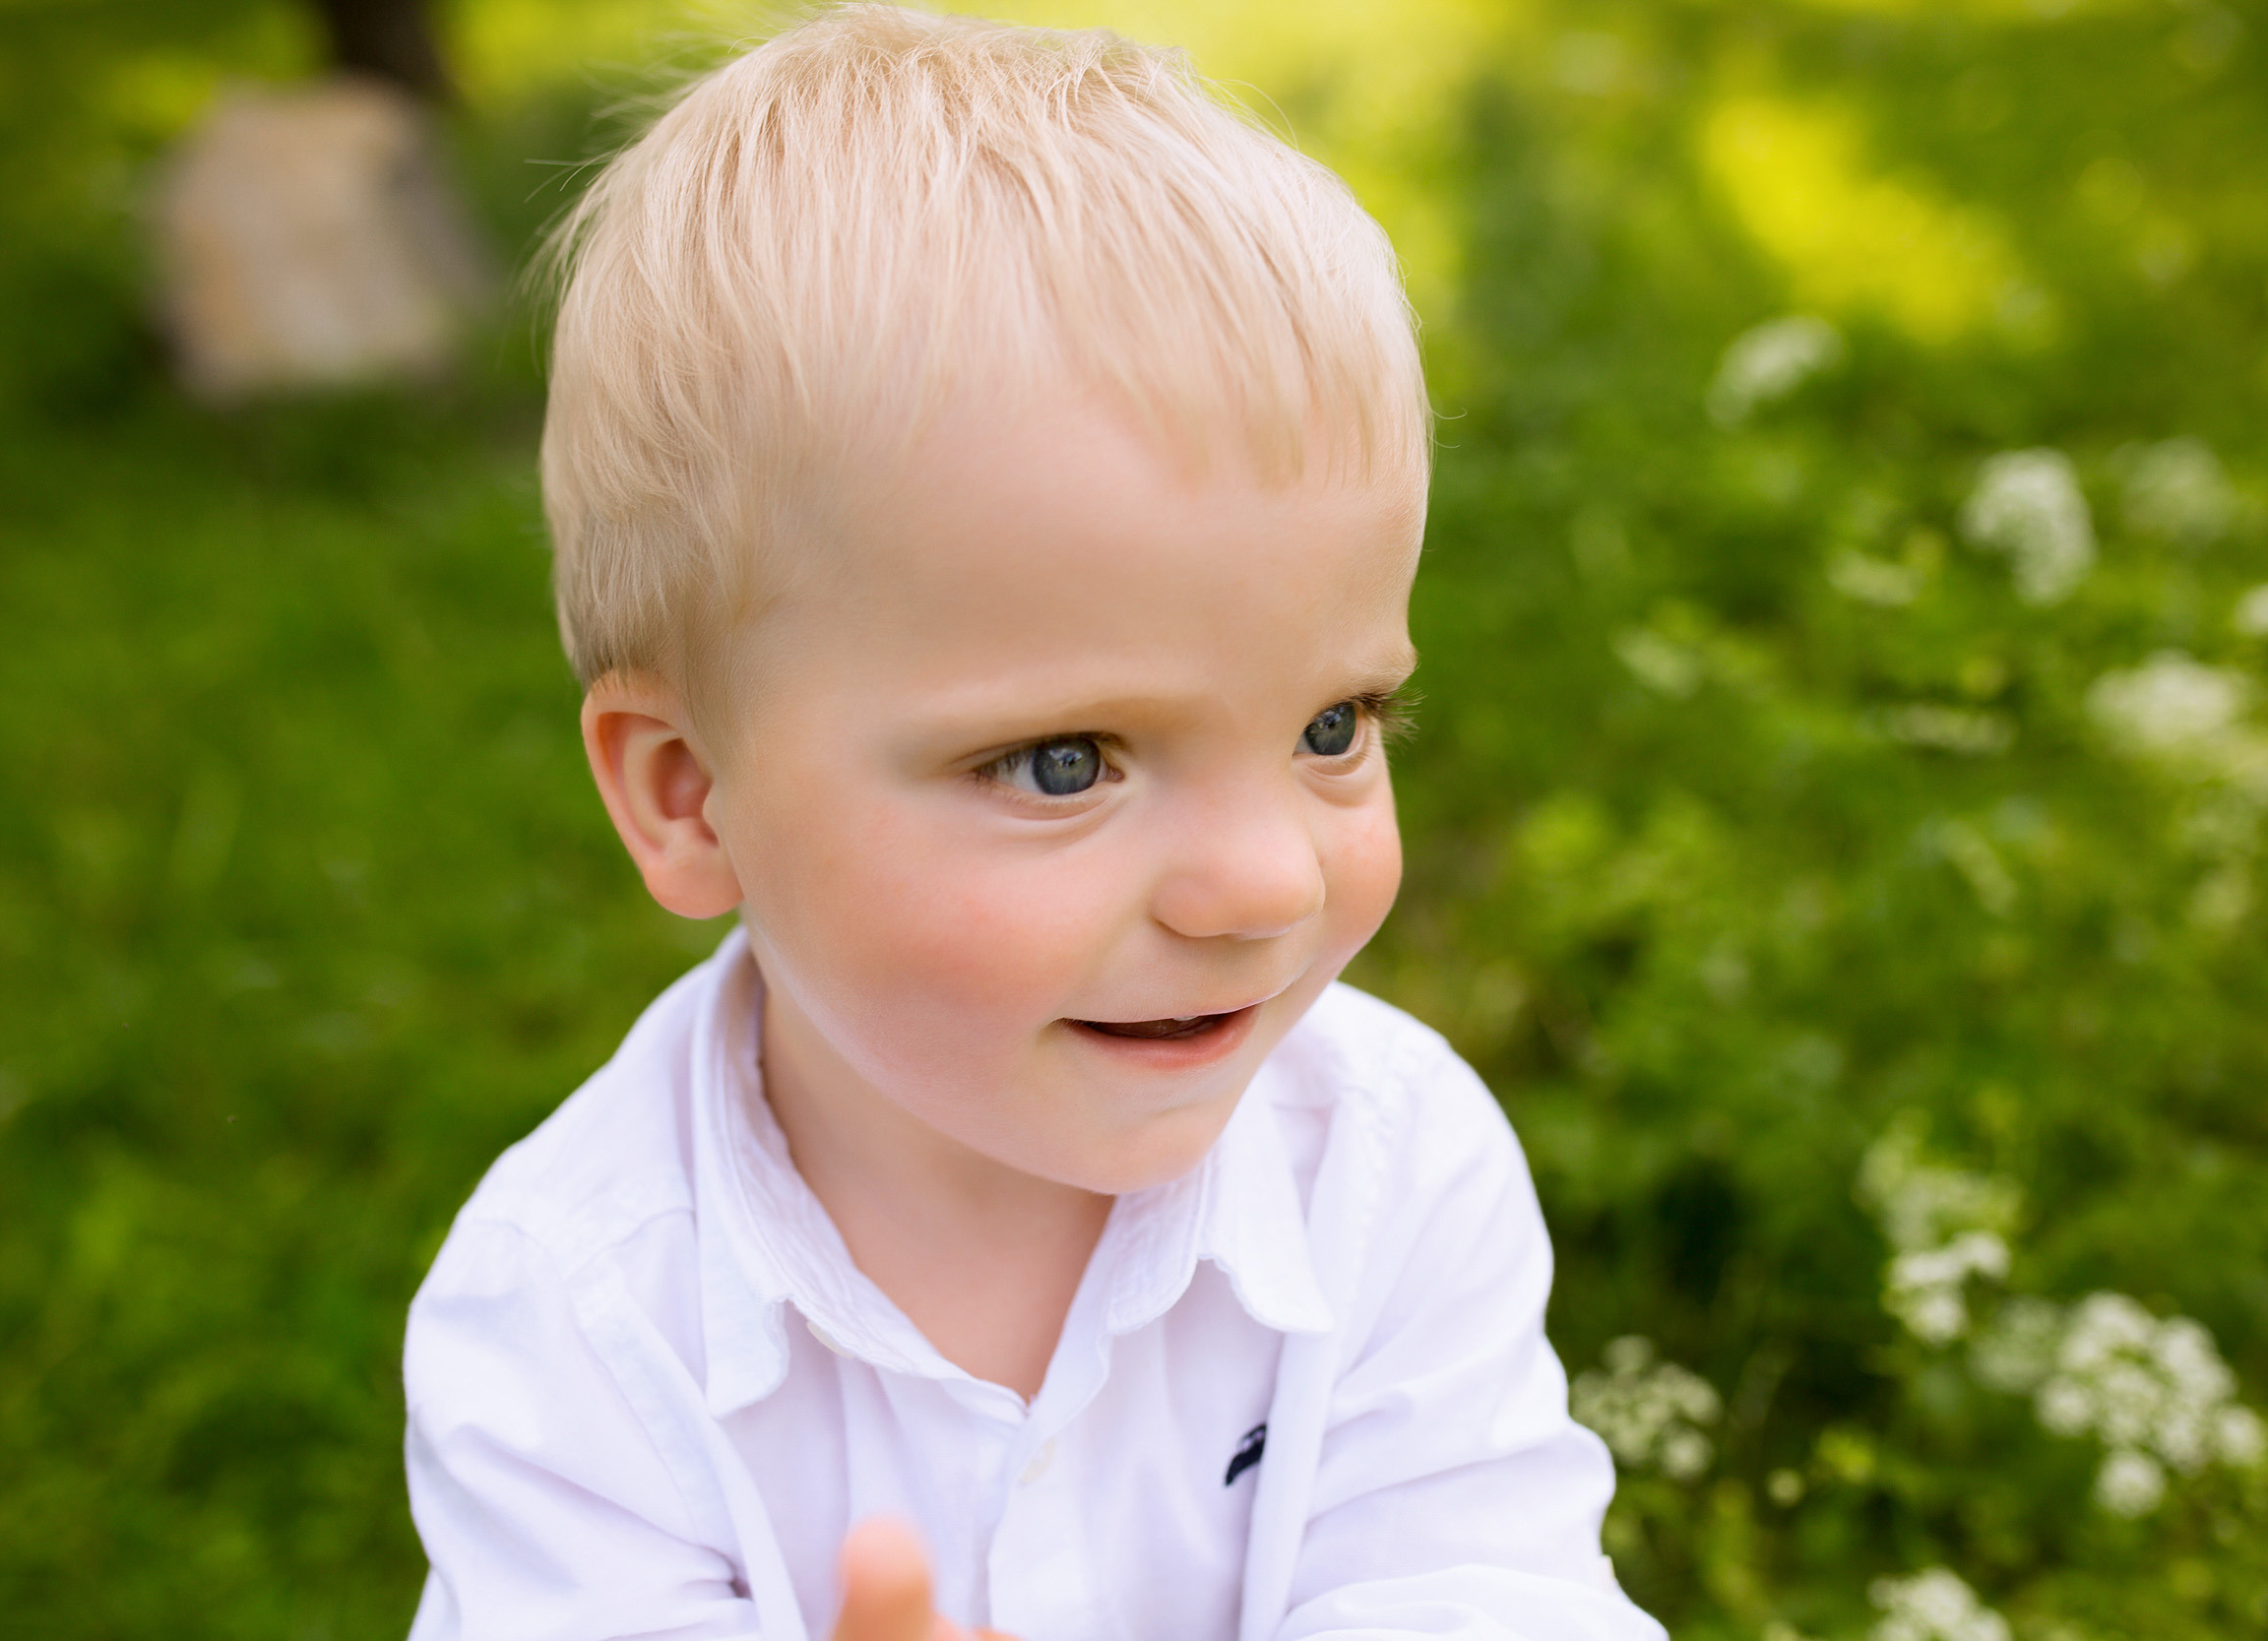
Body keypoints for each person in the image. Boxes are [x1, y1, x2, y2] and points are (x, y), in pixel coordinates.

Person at [400, 7, 1662, 1638]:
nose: (1265, 882)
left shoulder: (1388, 1167)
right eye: (1066, 763)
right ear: (689, 795)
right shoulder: (575, 1312)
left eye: (1333, 728)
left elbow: (1481, 1592)